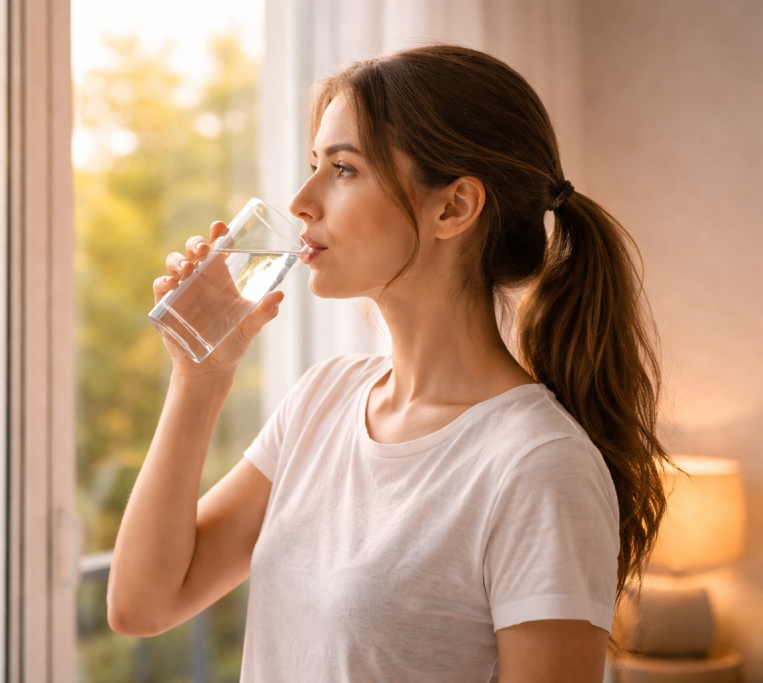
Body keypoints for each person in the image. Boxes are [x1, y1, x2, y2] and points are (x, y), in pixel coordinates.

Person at [107, 44, 669, 682]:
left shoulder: (538, 465)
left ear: (452, 207)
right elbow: (142, 605)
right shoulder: (323, 400)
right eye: (315, 163)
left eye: (343, 169)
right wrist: (198, 377)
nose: (301, 200)